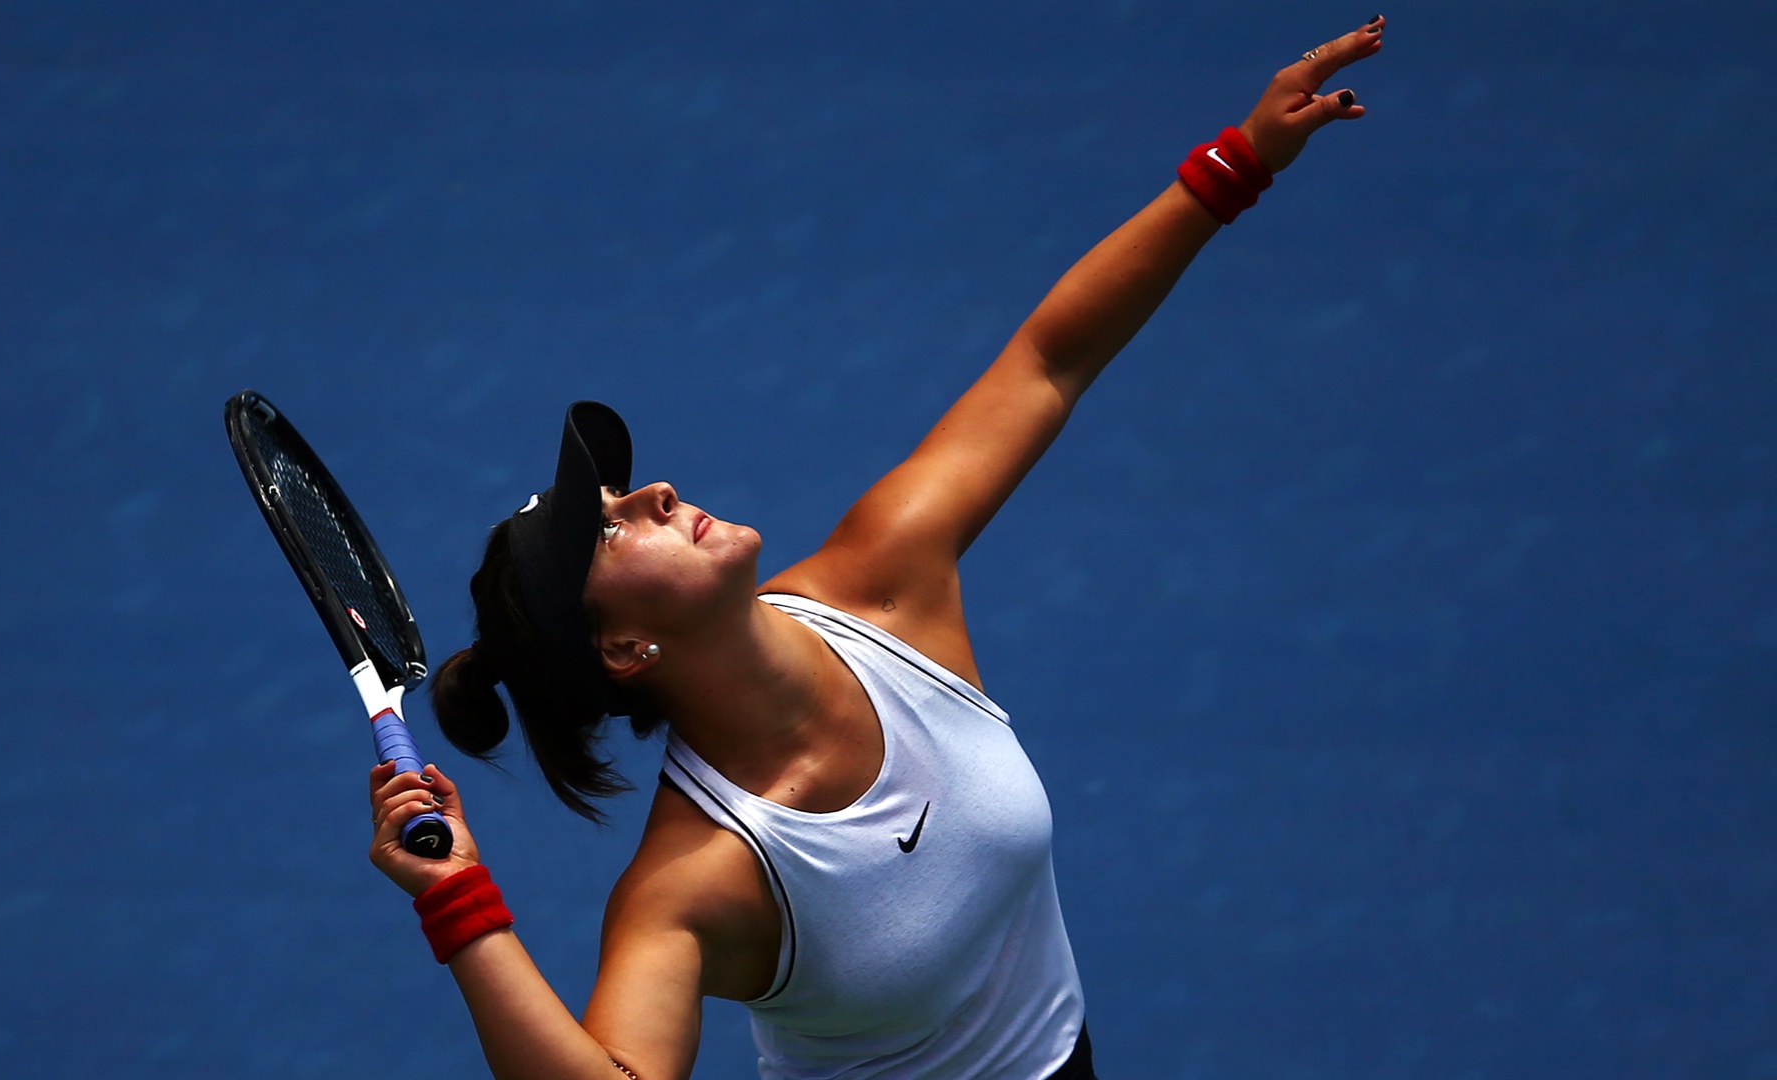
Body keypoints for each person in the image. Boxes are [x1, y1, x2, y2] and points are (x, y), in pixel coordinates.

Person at [366, 17, 1386, 1079]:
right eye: (608, 529)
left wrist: (1240, 161)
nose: (654, 493)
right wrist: (459, 904)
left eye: (625, 490)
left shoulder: (882, 583)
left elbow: (1048, 362)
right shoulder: (694, 883)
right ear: (623, 650)